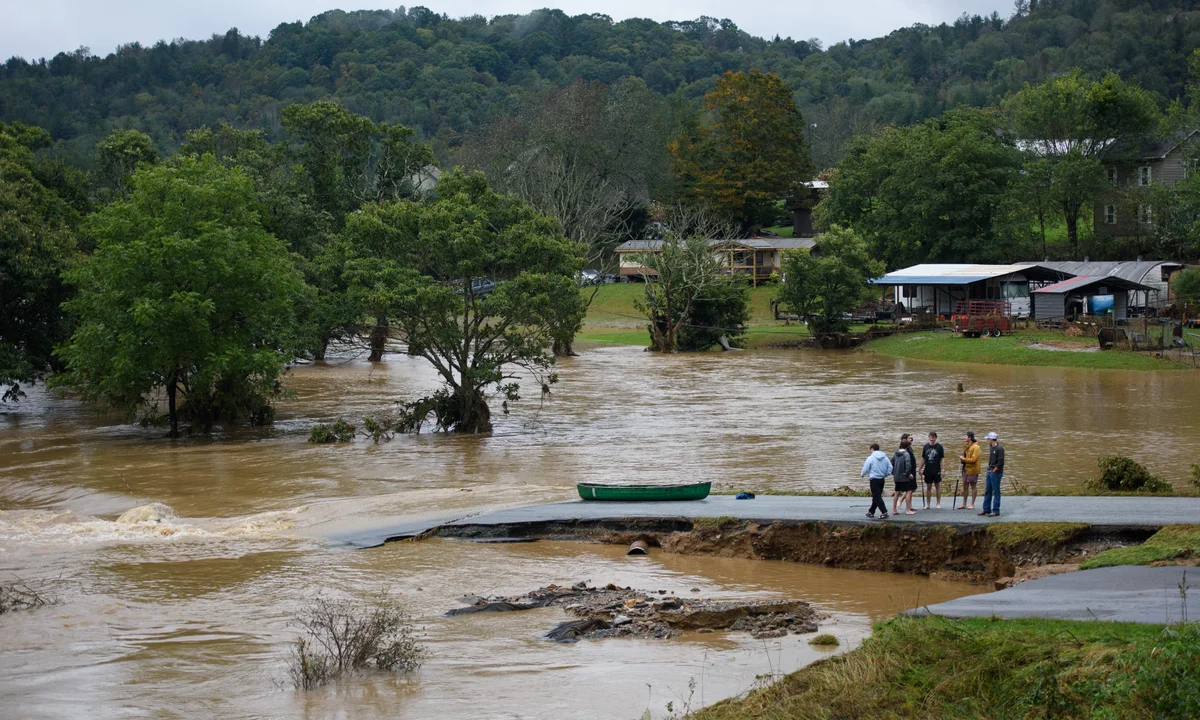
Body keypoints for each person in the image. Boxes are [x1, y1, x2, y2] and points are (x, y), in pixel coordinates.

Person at [860, 443, 892, 519]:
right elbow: (890, 467)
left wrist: (862, 474)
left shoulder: (871, 458)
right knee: (876, 496)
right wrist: (885, 474)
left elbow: (866, 468)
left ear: (872, 449)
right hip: (882, 479)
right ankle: (871, 512)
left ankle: (884, 512)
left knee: (877, 496)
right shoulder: (885, 458)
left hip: (874, 479)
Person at [981, 432, 1005, 517]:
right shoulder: (991, 447)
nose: (987, 440)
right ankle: (986, 509)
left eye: (988, 439)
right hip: (990, 471)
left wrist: (995, 469)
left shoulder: (999, 448)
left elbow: (1001, 461)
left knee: (996, 491)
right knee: (988, 491)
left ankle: (996, 510)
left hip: (995, 472)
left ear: (991, 439)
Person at [891, 435, 917, 515]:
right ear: (907, 446)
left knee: (897, 492)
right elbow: (908, 465)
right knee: (909, 491)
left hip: (897, 477)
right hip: (904, 477)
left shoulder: (896, 453)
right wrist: (908, 474)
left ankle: (894, 510)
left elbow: (891, 462)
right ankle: (908, 510)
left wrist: (893, 472)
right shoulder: (906, 454)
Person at [919, 432, 945, 509]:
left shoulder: (939, 447)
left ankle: (938, 503)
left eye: (933, 437)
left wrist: (943, 470)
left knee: (937, 486)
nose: (932, 439)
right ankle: (928, 504)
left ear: (935, 438)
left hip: (936, 469)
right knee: (928, 486)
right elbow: (923, 458)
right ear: (929, 437)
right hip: (928, 469)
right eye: (930, 437)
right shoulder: (926, 446)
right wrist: (920, 468)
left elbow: (942, 459)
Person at [958, 431, 981, 510]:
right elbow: (965, 456)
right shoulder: (967, 446)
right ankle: (964, 503)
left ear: (970, 438)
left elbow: (973, 460)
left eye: (966, 436)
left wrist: (964, 459)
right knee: (965, 486)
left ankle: (972, 504)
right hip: (965, 469)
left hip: (972, 469)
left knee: (973, 485)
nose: (965, 438)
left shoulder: (976, 447)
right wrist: (962, 460)